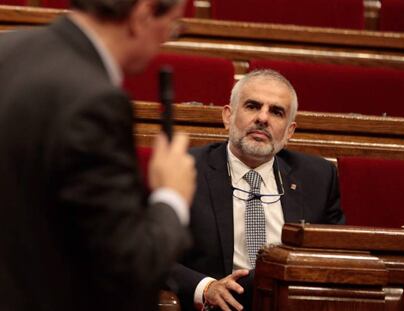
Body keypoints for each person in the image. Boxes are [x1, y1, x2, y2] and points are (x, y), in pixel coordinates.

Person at [0, 0, 196, 310]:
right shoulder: (95, 100)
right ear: (143, 14)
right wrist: (172, 196)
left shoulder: (7, 47)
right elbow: (130, 271)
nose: (164, 41)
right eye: (172, 27)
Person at [169, 69, 345, 311]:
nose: (263, 118)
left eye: (276, 112)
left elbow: (337, 256)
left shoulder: (318, 177)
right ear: (228, 116)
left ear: (290, 131)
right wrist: (205, 287)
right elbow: (148, 253)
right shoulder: (185, 169)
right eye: (252, 106)